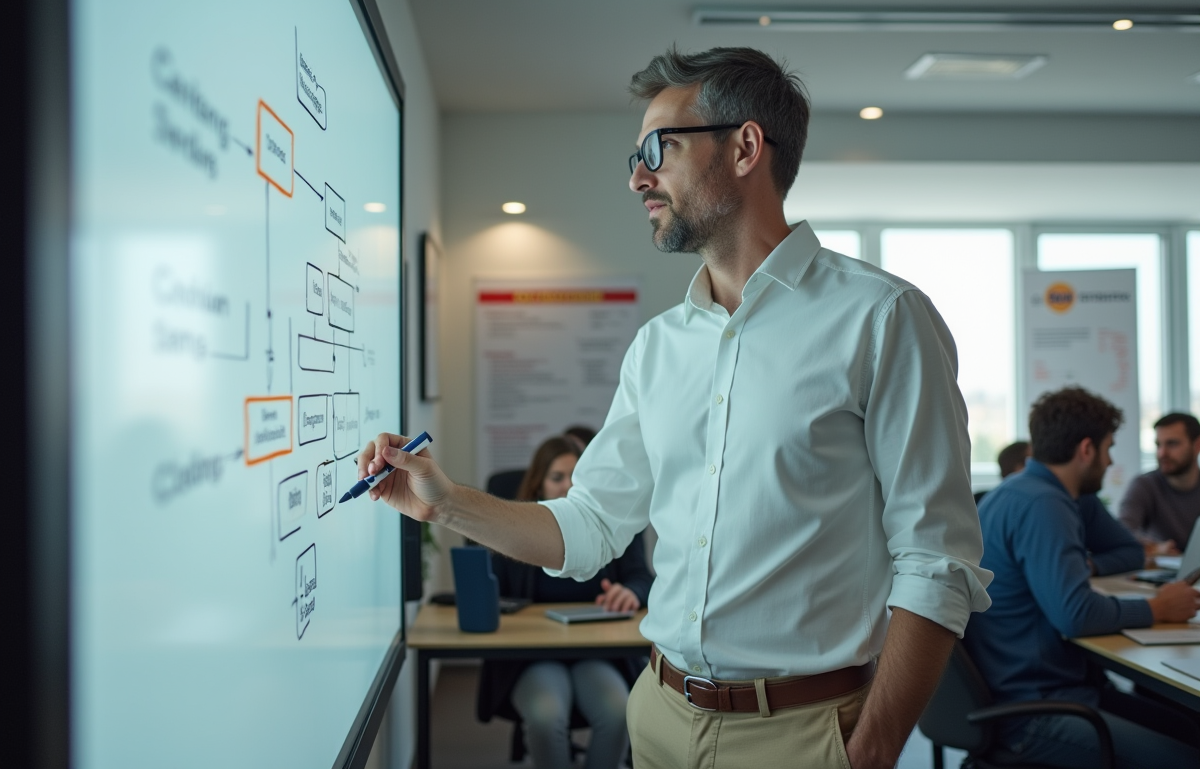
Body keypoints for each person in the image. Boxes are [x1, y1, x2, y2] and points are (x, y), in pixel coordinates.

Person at [359, 46, 991, 769]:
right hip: (658, 715)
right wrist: (446, 505)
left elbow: (936, 560)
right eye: (634, 156)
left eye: (658, 148)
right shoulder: (658, 346)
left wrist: (875, 747)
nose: (637, 177)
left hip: (803, 732)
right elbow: (590, 527)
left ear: (746, 146)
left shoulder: (883, 318)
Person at [963, 387, 1200, 769]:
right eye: (1108, 449)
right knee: (1187, 759)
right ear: (1086, 450)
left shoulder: (1018, 492)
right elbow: (1076, 614)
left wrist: (1090, 568)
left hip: (1041, 689)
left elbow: (1127, 552)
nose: (1110, 462)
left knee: (1187, 729)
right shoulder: (1044, 504)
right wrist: (1158, 607)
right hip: (1035, 711)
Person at [477, 436, 652, 769]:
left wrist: (631, 592)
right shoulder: (517, 528)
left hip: (597, 652)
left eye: (576, 476)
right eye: (557, 477)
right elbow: (491, 588)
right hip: (532, 655)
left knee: (617, 712)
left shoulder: (613, 522)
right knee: (546, 715)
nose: (567, 485)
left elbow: (643, 578)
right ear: (539, 484)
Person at [1118, 412, 1200, 557]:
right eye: (1158, 445)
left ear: (1197, 445)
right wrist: (1153, 548)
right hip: (1161, 571)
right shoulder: (1145, 485)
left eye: (1172, 444)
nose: (1162, 453)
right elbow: (1121, 532)